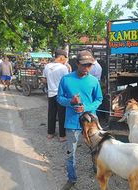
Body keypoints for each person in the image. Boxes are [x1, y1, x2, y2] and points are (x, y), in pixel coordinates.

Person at [57, 50, 103, 190]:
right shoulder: (66, 79)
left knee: (95, 148)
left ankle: (96, 168)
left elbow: (99, 99)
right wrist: (71, 101)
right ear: (76, 64)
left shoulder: (94, 81)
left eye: (89, 65)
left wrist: (86, 107)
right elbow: (59, 98)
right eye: (84, 65)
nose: (86, 68)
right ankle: (71, 178)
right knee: (71, 152)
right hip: (72, 122)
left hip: (90, 123)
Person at [42, 50, 69, 141]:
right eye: (65, 58)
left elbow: (44, 80)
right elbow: (67, 82)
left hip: (51, 93)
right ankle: (62, 136)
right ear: (61, 57)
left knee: (51, 113)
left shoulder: (47, 66)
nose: (66, 60)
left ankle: (50, 133)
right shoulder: (63, 68)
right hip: (60, 94)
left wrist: (51, 82)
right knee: (62, 115)